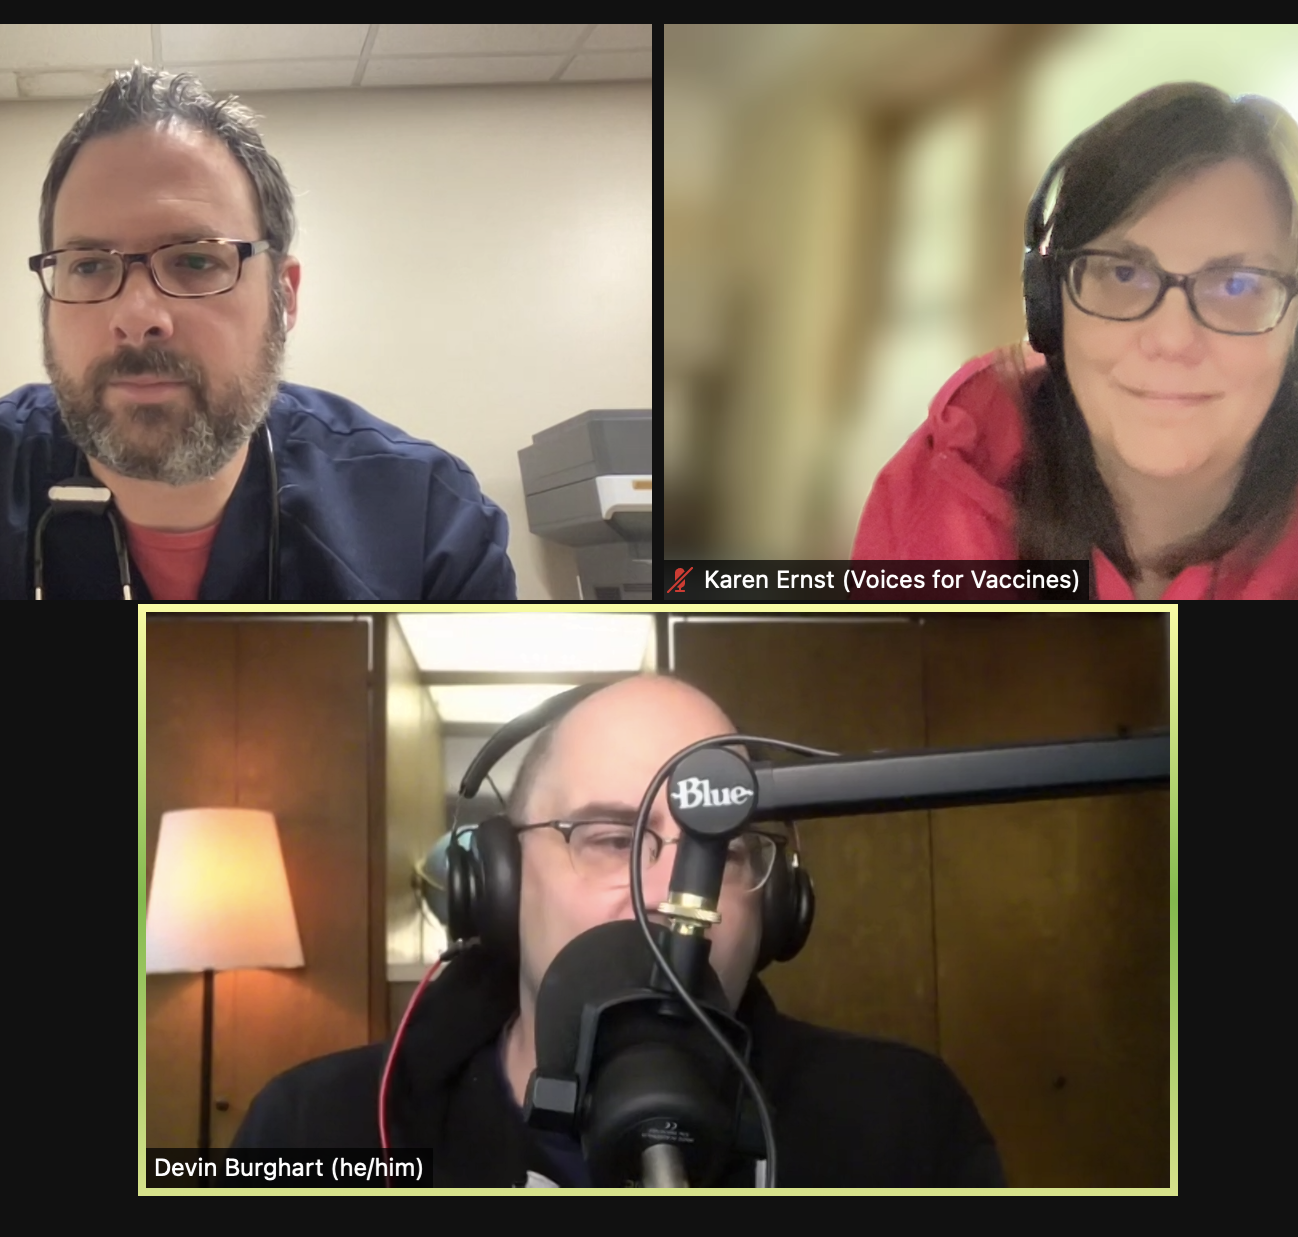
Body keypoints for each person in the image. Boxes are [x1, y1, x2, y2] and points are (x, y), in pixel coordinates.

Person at [233, 675, 1004, 1188]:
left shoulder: (903, 1123)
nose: (674, 895)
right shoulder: (313, 1126)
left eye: (723, 850)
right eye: (609, 840)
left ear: (778, 910)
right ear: (497, 883)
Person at [1, 65, 516, 600]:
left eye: (196, 261)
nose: (135, 315)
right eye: (88, 265)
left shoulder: (426, 523)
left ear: (284, 294)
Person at [851, 83, 1298, 600]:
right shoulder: (934, 495)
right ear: (1050, 301)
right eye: (1124, 274)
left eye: (1236, 285)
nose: (1172, 339)